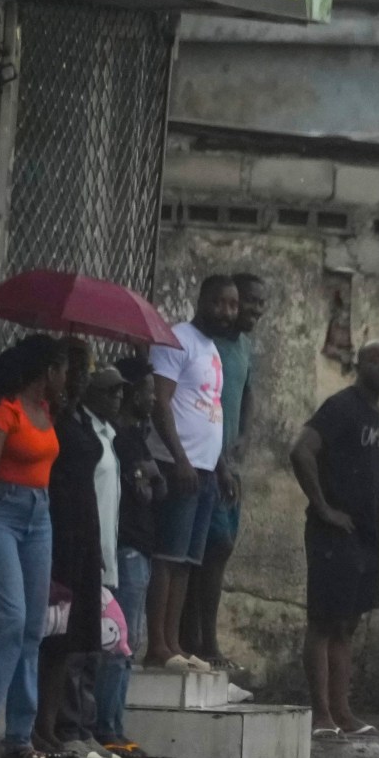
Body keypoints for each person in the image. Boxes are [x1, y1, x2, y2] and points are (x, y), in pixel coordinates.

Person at [0, 334, 67, 758]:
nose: (67, 378)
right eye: (63, 369)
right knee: (11, 618)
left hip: (39, 516)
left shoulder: (46, 410)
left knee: (32, 627)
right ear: (47, 372)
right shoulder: (6, 410)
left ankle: (20, 735)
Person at [290, 341, 379, 737]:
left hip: (365, 536)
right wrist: (323, 508)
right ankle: (320, 715)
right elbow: (302, 451)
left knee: (346, 626)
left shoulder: (374, 413)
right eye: (377, 361)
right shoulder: (342, 407)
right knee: (323, 622)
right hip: (334, 534)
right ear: (359, 365)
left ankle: (342, 712)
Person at [145, 274, 237, 673]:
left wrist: (220, 467)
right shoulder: (176, 339)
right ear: (201, 300)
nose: (227, 312)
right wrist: (180, 458)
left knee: (186, 561)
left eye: (232, 305)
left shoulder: (212, 349)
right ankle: (157, 646)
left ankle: (175, 643)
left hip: (205, 471)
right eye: (220, 303)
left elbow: (208, 409)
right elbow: (161, 403)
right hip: (175, 465)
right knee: (166, 556)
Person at [181, 273, 266, 671]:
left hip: (230, 464)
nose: (252, 311)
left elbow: (247, 392)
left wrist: (247, 436)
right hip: (205, 462)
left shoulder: (243, 346)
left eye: (255, 304)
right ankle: (199, 643)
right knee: (207, 550)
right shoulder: (205, 344)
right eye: (246, 302)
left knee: (220, 547)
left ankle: (200, 641)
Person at [35, 337, 106, 754]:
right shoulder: (52, 418)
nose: (80, 380)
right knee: (50, 634)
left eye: (85, 372)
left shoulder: (80, 417)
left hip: (85, 529)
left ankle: (51, 725)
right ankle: (36, 724)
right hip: (58, 527)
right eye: (73, 371)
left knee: (71, 637)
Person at [95, 367, 163, 753]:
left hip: (140, 546)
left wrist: (150, 475)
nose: (153, 399)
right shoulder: (119, 438)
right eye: (147, 390)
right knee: (119, 641)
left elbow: (157, 487)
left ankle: (113, 725)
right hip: (128, 546)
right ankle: (107, 726)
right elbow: (145, 492)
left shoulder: (134, 436)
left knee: (127, 642)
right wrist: (146, 476)